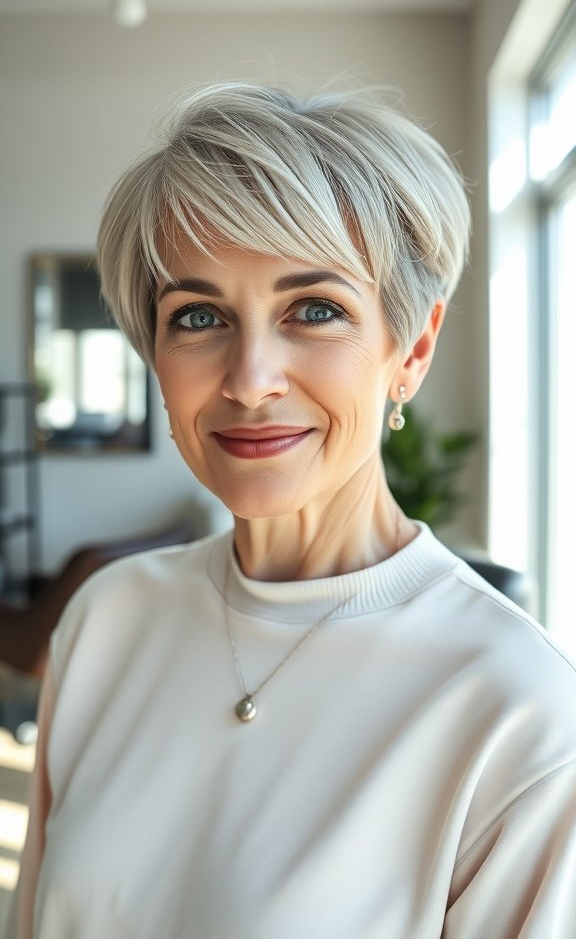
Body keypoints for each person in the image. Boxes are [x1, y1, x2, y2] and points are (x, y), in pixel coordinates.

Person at [9, 83, 576, 938]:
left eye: (315, 310)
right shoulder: (104, 619)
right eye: (198, 316)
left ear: (411, 350)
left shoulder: (518, 714)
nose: (248, 378)